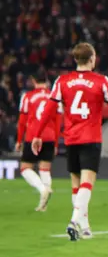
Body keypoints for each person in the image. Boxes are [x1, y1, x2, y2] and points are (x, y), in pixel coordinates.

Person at [32, 43, 108, 240]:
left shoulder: (62, 81)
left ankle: (85, 226)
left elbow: (49, 108)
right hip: (91, 138)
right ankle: (74, 220)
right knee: (87, 183)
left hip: (71, 139)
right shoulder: (101, 81)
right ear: (92, 58)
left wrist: (38, 134)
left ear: (75, 59)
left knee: (76, 184)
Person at [15, 73, 62, 212]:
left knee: (25, 167)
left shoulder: (27, 97)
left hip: (33, 136)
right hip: (50, 136)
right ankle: (44, 204)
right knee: (44, 168)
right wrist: (56, 143)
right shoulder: (55, 97)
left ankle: (42, 190)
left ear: (33, 81)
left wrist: (19, 140)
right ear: (47, 82)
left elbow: (22, 121)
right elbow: (58, 122)